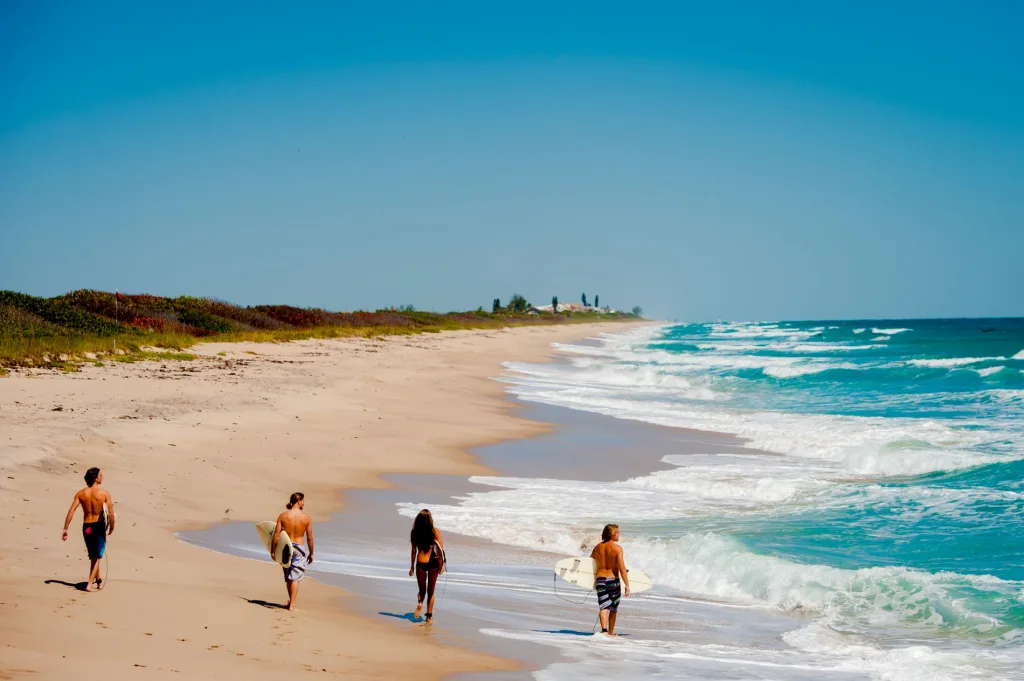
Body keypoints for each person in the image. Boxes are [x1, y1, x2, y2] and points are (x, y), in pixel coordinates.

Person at [62, 467, 115, 592]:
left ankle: (99, 581)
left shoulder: (80, 494)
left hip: (87, 528)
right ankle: (89, 584)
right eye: (100, 475)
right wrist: (112, 527)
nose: (102, 477)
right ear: (96, 478)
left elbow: (71, 511)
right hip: (98, 527)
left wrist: (65, 528)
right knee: (96, 556)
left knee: (94, 555)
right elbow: (111, 514)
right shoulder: (104, 494)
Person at [271, 492, 314, 611]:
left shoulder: (283, 516)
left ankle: (291, 601)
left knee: (288, 575)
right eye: (303, 501)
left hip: (286, 546)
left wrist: (273, 550)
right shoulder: (306, 518)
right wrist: (311, 553)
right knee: (295, 577)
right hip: (299, 548)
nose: (304, 503)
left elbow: (276, 535)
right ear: (299, 501)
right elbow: (309, 538)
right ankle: (292, 605)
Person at [590, 523, 630, 635]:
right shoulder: (618, 549)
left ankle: (604, 631)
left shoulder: (597, 547)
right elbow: (622, 568)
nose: (619, 534)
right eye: (617, 532)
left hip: (600, 579)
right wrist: (627, 585)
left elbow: (590, 564)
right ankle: (611, 633)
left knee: (603, 606)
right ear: (612, 534)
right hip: (613, 581)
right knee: (613, 608)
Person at [408, 509, 445, 622]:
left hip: (420, 562)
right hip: (433, 563)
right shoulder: (435, 532)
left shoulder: (414, 532)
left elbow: (414, 551)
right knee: (431, 591)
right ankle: (429, 617)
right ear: (430, 520)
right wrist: (441, 565)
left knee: (422, 591)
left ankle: (420, 602)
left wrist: (412, 567)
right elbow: (440, 550)